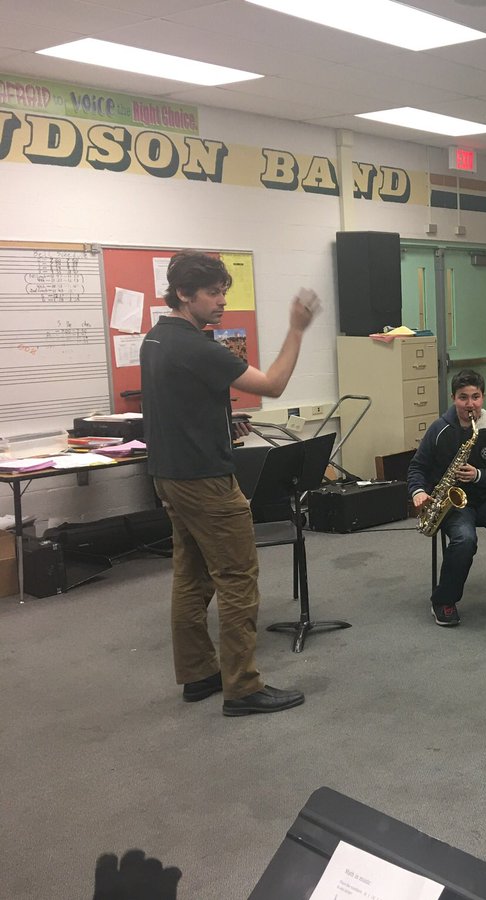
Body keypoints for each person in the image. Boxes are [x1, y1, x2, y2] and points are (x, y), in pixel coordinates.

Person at [141, 250, 314, 717]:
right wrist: (297, 327)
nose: (221, 302)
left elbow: (182, 405)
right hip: (205, 480)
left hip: (169, 475)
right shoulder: (198, 346)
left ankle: (198, 674)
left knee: (191, 575)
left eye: (223, 292)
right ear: (183, 293)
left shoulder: (156, 340)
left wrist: (221, 420)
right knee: (238, 577)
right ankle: (243, 686)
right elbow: (273, 383)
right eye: (213, 293)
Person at [408, 370, 486, 626]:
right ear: (454, 398)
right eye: (463, 398)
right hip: (453, 503)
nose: (470, 404)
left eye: (475, 397)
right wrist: (418, 491)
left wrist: (478, 475)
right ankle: (443, 600)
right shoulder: (439, 429)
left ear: (483, 397)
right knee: (465, 539)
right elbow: (417, 467)